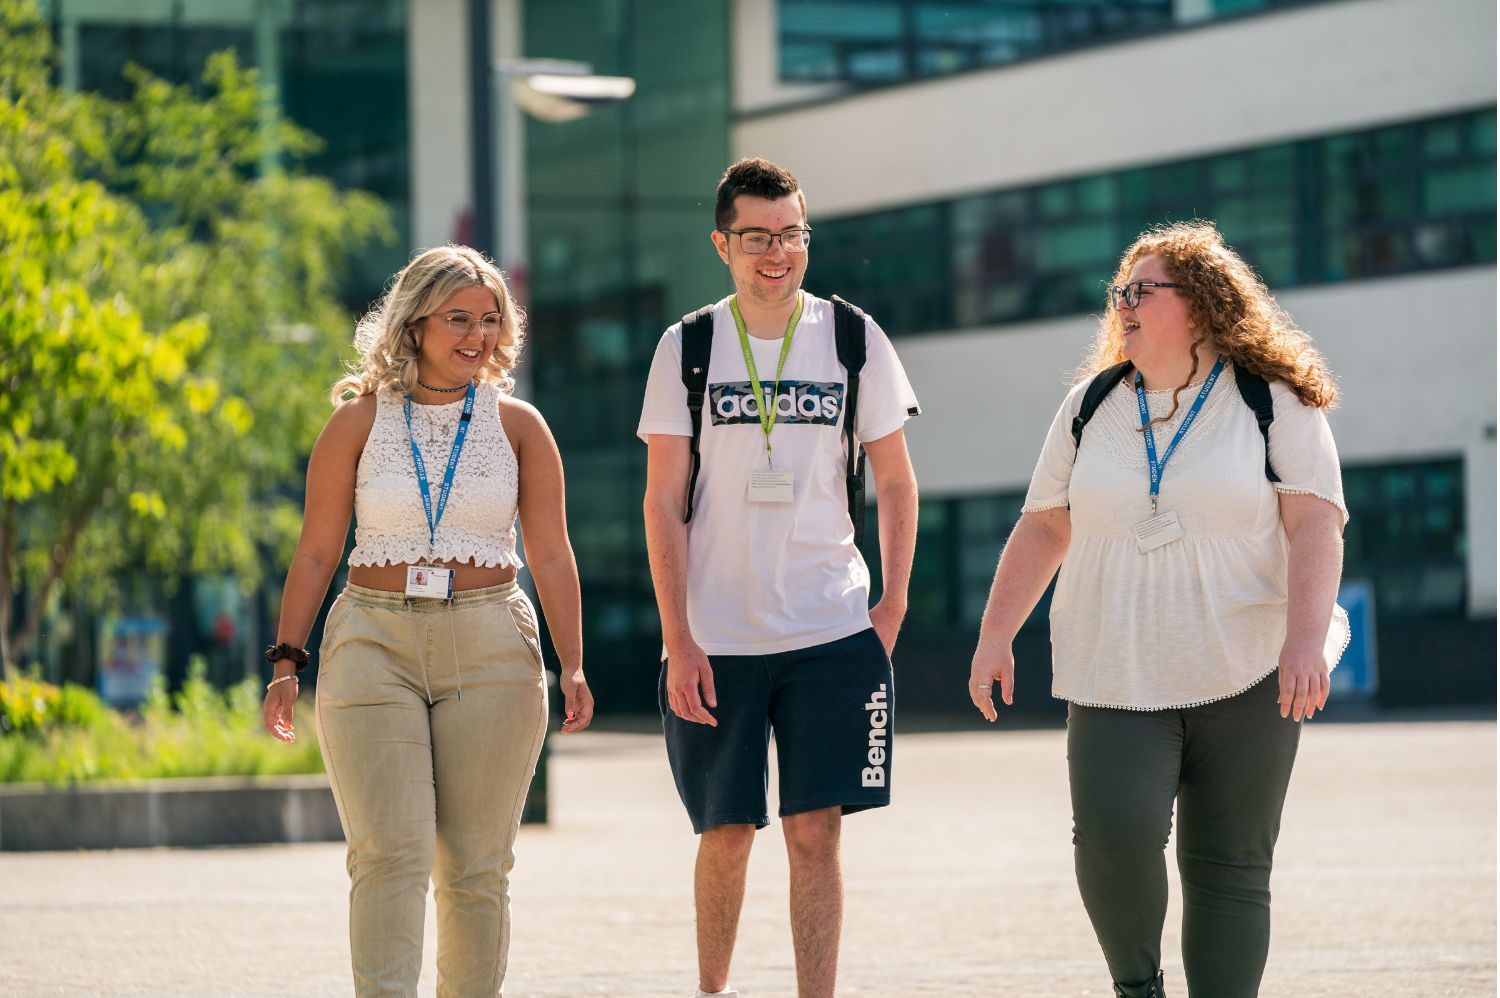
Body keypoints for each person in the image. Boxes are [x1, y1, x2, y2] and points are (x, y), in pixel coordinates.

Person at [968, 220, 1348, 997]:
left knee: (1230, 864)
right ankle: (1137, 988)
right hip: (1114, 669)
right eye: (1121, 292)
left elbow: (1316, 522)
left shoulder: (1272, 402)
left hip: (1248, 669)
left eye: (1144, 290)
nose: (1125, 304)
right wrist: (995, 633)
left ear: (1203, 306)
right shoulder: (1089, 404)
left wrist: (1305, 641)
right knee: (1111, 840)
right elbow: (1044, 524)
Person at [260, 244, 593, 997]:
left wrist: (571, 662)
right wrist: (286, 663)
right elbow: (316, 553)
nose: (476, 336)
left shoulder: (519, 425)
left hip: (492, 644)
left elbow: (551, 551)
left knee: (477, 866)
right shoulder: (357, 422)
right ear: (413, 324)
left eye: (488, 320)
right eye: (457, 319)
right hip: (373, 641)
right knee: (387, 853)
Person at [639, 157, 921, 998]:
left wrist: (893, 603)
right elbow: (661, 503)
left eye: (792, 234)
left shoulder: (852, 338)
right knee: (725, 834)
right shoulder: (688, 346)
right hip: (718, 635)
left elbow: (898, 481)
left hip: (830, 628)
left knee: (814, 833)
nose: (778, 253)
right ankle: (713, 990)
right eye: (758, 237)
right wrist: (677, 639)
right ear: (722, 244)